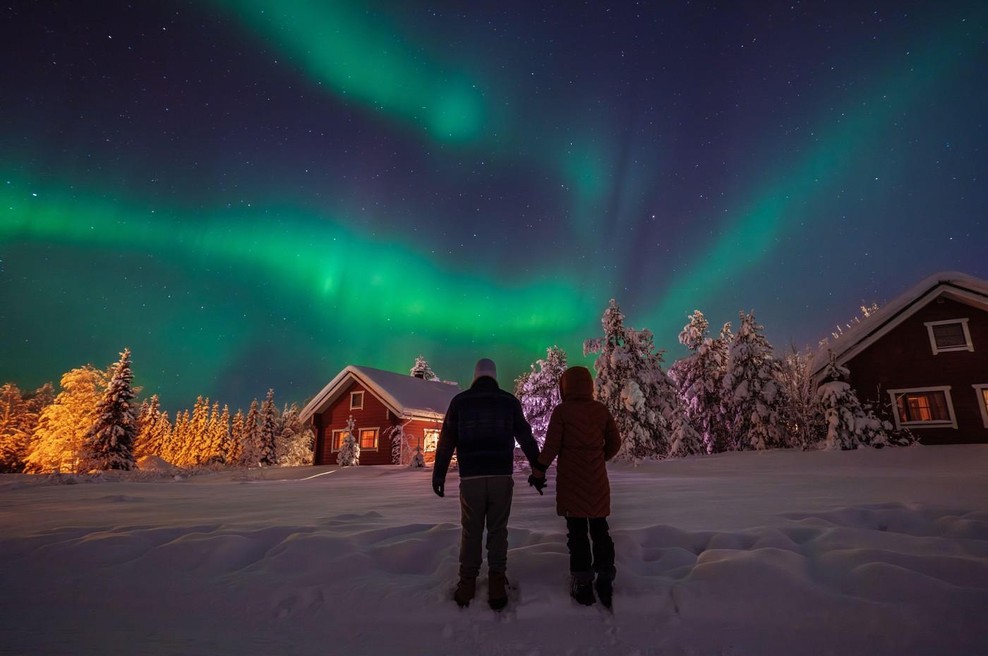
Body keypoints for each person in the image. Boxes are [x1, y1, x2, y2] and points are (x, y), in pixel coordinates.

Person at [432, 358, 541, 611]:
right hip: (501, 477)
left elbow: (446, 441)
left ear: (475, 375)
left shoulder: (460, 402)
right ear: (494, 375)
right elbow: (525, 436)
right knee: (497, 530)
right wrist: (538, 466)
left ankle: (467, 583)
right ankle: (495, 583)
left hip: (470, 479)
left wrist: (438, 475)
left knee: (471, 531)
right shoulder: (508, 401)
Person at [529, 366, 622, 608]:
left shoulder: (562, 412)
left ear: (565, 387)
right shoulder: (600, 410)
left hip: (571, 482)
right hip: (596, 481)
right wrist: (599, 457)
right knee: (600, 529)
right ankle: (605, 576)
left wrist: (538, 471)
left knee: (578, 532)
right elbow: (615, 442)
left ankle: (582, 583)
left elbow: (550, 447)